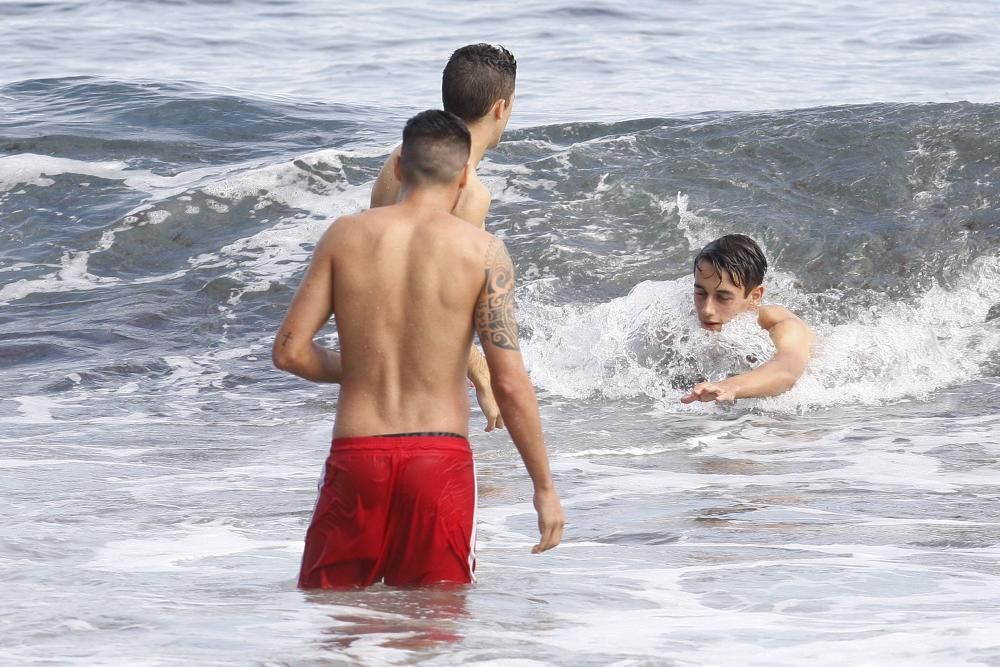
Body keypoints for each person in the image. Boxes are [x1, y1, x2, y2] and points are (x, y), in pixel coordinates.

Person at [272, 110, 564, 588]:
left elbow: (289, 351)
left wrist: (357, 369)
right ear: (465, 175)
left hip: (357, 455)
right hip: (439, 461)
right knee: (434, 625)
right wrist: (544, 488)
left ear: (400, 169)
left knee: (335, 626)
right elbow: (509, 382)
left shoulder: (346, 235)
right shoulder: (486, 253)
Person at [370, 43, 517, 433]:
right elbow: (423, 295)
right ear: (501, 107)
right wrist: (483, 373)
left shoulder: (401, 159)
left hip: (378, 374)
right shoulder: (467, 190)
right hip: (424, 390)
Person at [681, 234, 814, 404]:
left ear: (755, 296)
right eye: (701, 293)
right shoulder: (682, 312)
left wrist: (730, 386)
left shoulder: (781, 324)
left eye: (723, 297)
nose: (706, 310)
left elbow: (786, 372)